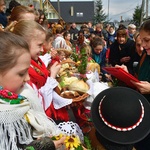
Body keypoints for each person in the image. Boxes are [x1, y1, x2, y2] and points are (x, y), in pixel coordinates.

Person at [0, 31, 67, 150]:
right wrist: (45, 146)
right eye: (21, 74)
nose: (27, 78)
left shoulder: (21, 95)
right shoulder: (4, 118)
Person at [12, 20, 77, 123]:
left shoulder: (35, 61)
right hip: (42, 116)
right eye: (39, 45)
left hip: (49, 110)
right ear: (24, 43)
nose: (42, 49)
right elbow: (38, 102)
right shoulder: (23, 69)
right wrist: (52, 77)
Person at [115, 20, 150, 150]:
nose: (144, 46)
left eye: (147, 40)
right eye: (141, 40)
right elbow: (139, 81)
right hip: (143, 116)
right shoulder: (145, 56)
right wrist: (125, 73)